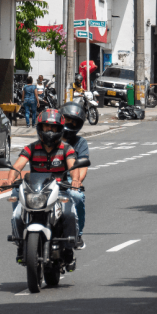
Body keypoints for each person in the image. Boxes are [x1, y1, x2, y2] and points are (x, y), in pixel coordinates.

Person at [6, 109, 80, 264]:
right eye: (46, 127)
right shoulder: (30, 148)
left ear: (60, 130)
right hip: (36, 191)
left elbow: (73, 168)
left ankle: (68, 248)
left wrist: (75, 181)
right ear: (40, 128)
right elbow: (18, 165)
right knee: (17, 215)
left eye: (53, 128)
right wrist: (10, 178)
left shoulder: (67, 149)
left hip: (60, 191)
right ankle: (21, 244)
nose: (50, 131)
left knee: (69, 214)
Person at [60, 102, 90, 249]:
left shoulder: (80, 143)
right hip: (48, 178)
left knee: (77, 196)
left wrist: (76, 181)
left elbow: (83, 165)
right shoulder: (49, 136)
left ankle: (77, 234)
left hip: (69, 180)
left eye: (74, 121)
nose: (70, 123)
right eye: (67, 119)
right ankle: (21, 234)